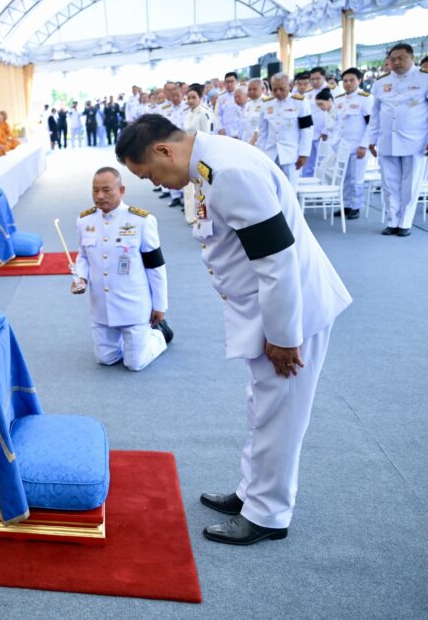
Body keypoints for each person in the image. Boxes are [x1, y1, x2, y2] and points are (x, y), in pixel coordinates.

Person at [115, 114, 352, 545]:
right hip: (269, 310)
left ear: (164, 150)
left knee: (281, 414)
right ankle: (252, 492)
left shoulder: (228, 171)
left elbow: (277, 261)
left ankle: (268, 514)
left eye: (150, 173)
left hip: (292, 314)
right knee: (262, 406)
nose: (158, 183)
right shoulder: (209, 164)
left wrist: (283, 337)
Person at [71, 167, 172, 371]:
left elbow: (155, 266)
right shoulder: (84, 221)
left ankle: (159, 334)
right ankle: (126, 340)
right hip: (102, 307)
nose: (99, 196)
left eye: (106, 190)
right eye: (95, 190)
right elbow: (83, 256)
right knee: (106, 359)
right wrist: (80, 277)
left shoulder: (141, 221)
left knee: (135, 363)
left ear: (121, 190)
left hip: (133, 306)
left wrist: (160, 306)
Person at [369, 43, 428, 236]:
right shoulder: (380, 83)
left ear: (412, 58)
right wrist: (371, 138)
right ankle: (392, 221)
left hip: (416, 142)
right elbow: (375, 114)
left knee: (410, 186)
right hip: (387, 141)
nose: (396, 62)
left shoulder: (424, 78)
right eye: (392, 59)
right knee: (389, 184)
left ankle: (405, 223)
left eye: (400, 58)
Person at [257, 72, 312, 190]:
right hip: (270, 152)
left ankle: (290, 209)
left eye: (282, 89)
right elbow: (263, 132)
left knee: (290, 187)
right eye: (274, 89)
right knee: (270, 186)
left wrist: (304, 154)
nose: (278, 92)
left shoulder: (300, 102)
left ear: (289, 86)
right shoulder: (267, 103)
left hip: (291, 153)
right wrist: (260, 153)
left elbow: (307, 130)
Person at [331, 68, 373, 220]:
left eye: (352, 80)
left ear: (359, 80)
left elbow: (371, 124)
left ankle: (356, 206)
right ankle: (346, 205)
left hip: (358, 146)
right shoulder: (339, 99)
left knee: (357, 178)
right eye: (345, 81)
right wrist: (334, 142)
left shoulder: (366, 98)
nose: (348, 84)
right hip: (343, 145)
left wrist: (364, 145)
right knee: (344, 177)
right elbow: (337, 123)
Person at [183, 83, 214, 223]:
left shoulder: (204, 113)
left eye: (193, 97)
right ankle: (191, 217)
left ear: (200, 98)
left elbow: (206, 136)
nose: (190, 100)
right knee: (188, 187)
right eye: (188, 97)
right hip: (187, 153)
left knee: (202, 187)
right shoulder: (187, 114)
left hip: (201, 153)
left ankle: (204, 215)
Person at [217, 73, 243, 138]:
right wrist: (220, 128)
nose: (229, 84)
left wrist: (238, 132)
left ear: (236, 82)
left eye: (231, 81)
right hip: (225, 132)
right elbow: (218, 114)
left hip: (239, 132)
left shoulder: (243, 94)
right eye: (227, 82)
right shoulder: (221, 97)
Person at [242, 79, 264, 144]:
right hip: (246, 142)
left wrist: (252, 142)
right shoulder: (248, 104)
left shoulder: (266, 103)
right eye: (249, 89)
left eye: (254, 89)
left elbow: (260, 127)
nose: (251, 91)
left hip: (258, 143)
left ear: (262, 89)